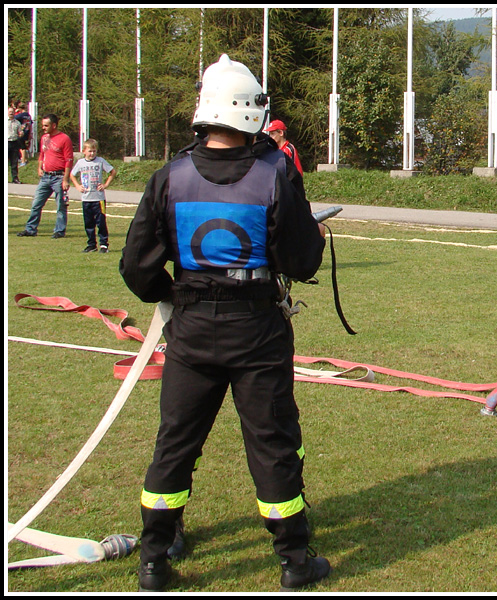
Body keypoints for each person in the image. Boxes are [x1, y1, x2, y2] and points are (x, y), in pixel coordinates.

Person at [119, 54, 330, 592]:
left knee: (175, 443)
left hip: (191, 330)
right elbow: (302, 262)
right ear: (250, 111)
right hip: (256, 328)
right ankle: (293, 560)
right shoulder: (275, 173)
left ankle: (155, 558)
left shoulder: (170, 176)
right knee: (272, 440)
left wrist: (179, 295)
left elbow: (138, 267)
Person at [17, 113, 73, 238]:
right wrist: (39, 167)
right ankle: (30, 229)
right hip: (46, 176)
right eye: (43, 125)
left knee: (60, 206)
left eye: (46, 125)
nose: (44, 128)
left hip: (59, 176)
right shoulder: (44, 138)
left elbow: (69, 160)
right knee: (36, 203)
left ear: (54, 125)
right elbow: (42, 154)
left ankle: (59, 230)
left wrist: (66, 179)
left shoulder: (64, 139)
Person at [70, 138, 115, 253]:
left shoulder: (100, 161)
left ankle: (104, 244)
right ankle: (91, 244)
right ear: (84, 151)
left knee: (101, 222)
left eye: (94, 151)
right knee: (88, 223)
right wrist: (77, 186)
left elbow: (112, 172)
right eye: (90, 151)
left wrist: (105, 184)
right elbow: (72, 175)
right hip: (86, 198)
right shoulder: (80, 163)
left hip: (99, 198)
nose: (92, 154)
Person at [7, 106, 24, 184]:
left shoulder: (17, 123)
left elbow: (20, 132)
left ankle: (15, 178)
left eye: (12, 111)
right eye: (9, 111)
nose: (11, 113)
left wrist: (21, 134)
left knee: (14, 162)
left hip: (14, 143)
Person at [15, 100, 33, 167]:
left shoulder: (20, 115)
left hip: (22, 132)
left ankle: (23, 160)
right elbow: (31, 123)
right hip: (27, 131)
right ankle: (23, 158)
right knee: (24, 146)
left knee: (21, 147)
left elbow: (13, 118)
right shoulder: (28, 115)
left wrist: (16, 112)